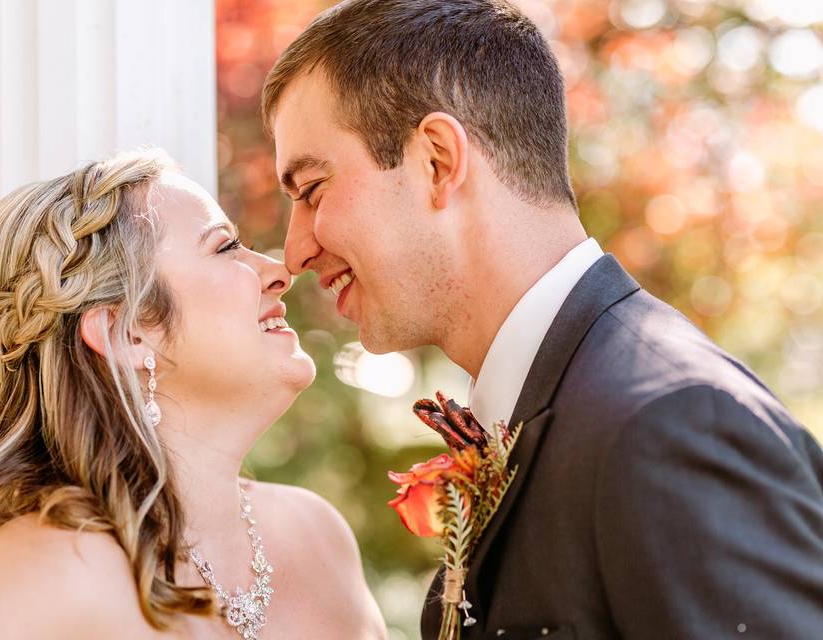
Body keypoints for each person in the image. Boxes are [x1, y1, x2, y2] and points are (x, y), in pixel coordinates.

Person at [263, 1, 823, 638]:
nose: (295, 250)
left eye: (312, 190)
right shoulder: (545, 414)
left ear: (437, 161)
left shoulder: (669, 424)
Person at [0, 149, 386, 640]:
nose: (279, 272)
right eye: (225, 247)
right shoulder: (54, 573)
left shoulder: (316, 535)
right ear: (127, 333)